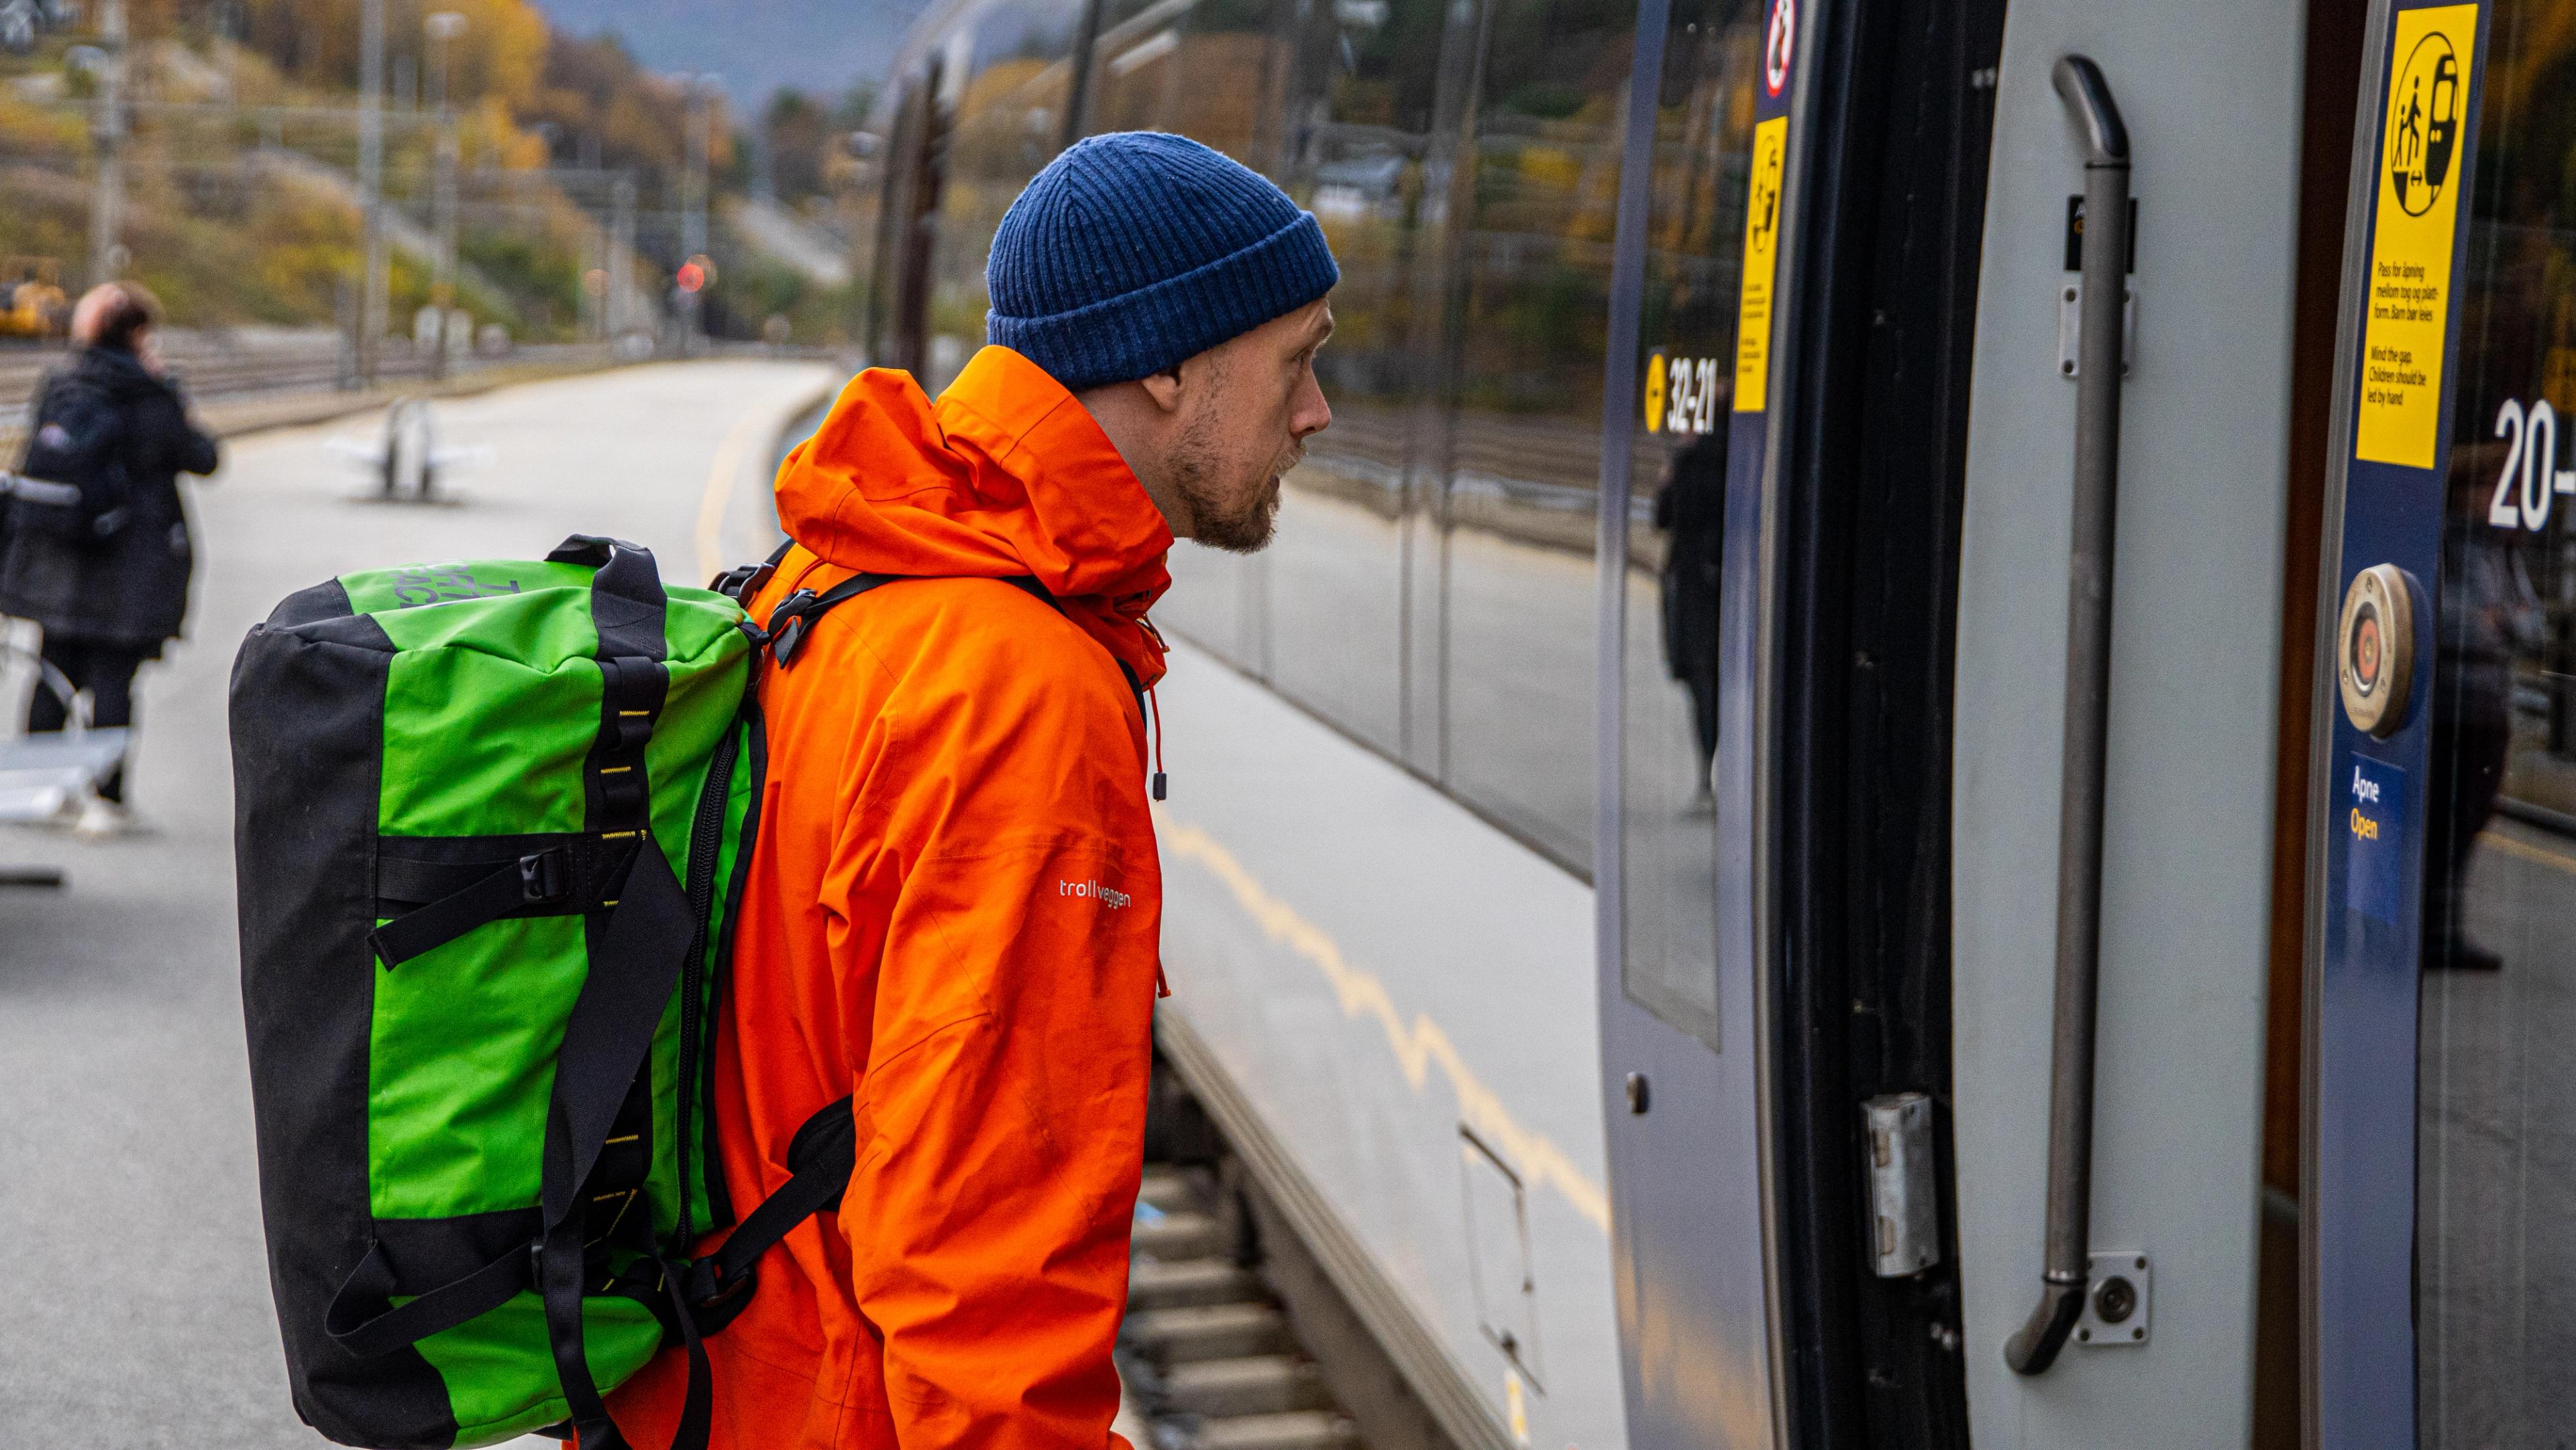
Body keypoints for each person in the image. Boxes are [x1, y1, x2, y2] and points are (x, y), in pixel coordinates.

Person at [603, 132, 1335, 1449]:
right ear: (1166, 363)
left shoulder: (836, 579)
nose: (1316, 412)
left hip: (716, 1387)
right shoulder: (1022, 697)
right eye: (1296, 360)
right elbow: (987, 1265)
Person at [0, 280, 219, 837]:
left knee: (54, 668)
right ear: (139, 332)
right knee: (115, 680)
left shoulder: (64, 383)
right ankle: (106, 801)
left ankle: (39, 791)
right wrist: (167, 387)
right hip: (130, 563)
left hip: (59, 560)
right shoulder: (150, 393)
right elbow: (203, 456)